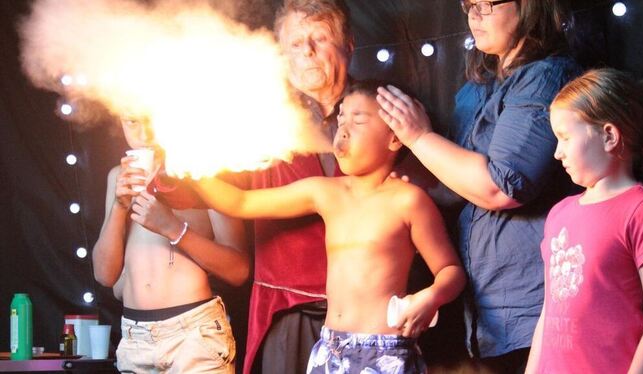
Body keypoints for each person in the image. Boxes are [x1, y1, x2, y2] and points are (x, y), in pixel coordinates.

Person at [194, 81, 466, 373]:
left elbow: (451, 271)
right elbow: (240, 203)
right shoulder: (325, 192)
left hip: (384, 349)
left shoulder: (408, 200)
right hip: (329, 348)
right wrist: (189, 167)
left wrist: (431, 297)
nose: (344, 129)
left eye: (359, 119)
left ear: (394, 138)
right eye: (341, 119)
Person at [376, 0, 582, 371]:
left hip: (536, 307)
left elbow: (501, 188)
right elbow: (461, 187)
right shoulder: (476, 87)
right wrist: (413, 182)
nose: (475, 14)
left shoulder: (544, 76)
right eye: (470, 4)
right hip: (485, 311)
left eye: (488, 3)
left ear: (531, 7)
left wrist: (419, 137)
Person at [525, 68, 643, 373]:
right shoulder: (559, 214)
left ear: (609, 136)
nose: (556, 152)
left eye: (564, 137)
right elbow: (548, 311)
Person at [238, 1, 353, 373]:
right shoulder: (255, 114)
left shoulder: (382, 109)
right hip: (289, 312)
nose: (307, 51)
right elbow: (215, 191)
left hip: (369, 312)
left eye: (320, 38)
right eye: (295, 42)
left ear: (348, 45)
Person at [92, 117, 249, 373]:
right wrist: (119, 206)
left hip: (194, 333)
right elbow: (104, 275)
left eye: (151, 120)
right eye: (132, 122)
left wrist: (173, 228)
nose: (144, 134)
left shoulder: (205, 172)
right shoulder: (117, 177)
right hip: (135, 335)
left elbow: (239, 270)